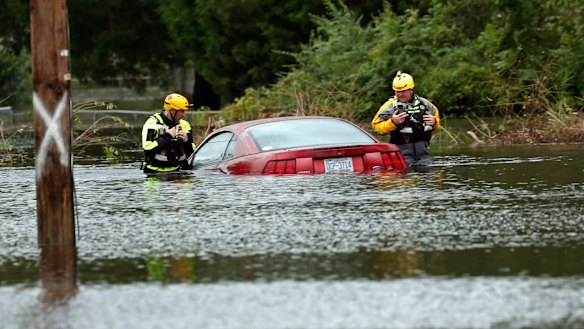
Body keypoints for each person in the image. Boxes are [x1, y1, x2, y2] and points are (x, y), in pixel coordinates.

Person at [372, 71, 440, 165]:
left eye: (403, 91)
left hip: (423, 156)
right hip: (401, 156)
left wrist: (434, 121)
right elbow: (376, 127)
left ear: (411, 90)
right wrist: (393, 122)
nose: (400, 94)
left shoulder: (425, 104)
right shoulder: (389, 107)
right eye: (397, 91)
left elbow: (437, 126)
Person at [141, 93, 196, 174]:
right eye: (181, 111)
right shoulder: (152, 124)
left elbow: (191, 153)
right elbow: (148, 150)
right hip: (154, 174)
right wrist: (167, 136)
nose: (183, 114)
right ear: (172, 110)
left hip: (178, 174)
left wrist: (186, 141)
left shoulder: (184, 125)